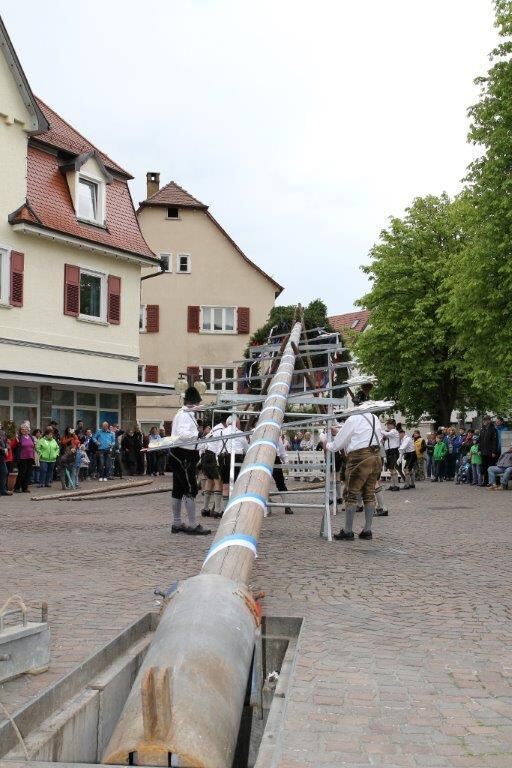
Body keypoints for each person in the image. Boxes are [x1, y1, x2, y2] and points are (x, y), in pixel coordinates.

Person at [325, 411, 382, 541]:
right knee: (369, 493)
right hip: (376, 456)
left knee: (351, 494)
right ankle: (367, 530)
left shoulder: (353, 418)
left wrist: (328, 445)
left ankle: (348, 531)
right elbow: (362, 434)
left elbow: (338, 444)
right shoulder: (374, 417)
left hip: (359, 458)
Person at [169, 387, 210, 535]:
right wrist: (198, 434)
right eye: (198, 402)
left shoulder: (186, 414)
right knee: (190, 488)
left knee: (179, 489)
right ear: (193, 403)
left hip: (184, 454)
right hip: (183, 455)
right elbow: (183, 434)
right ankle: (192, 524)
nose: (199, 405)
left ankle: (177, 523)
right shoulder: (184, 414)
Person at [201, 420, 224, 518]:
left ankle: (205, 509)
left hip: (205, 455)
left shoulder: (213, 430)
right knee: (218, 481)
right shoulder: (222, 431)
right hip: (213, 456)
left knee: (209, 480)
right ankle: (218, 510)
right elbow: (220, 447)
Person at [271, 435, 294, 515]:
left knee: (280, 483)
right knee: (261, 483)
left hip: (274, 458)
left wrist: (286, 460)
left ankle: (287, 506)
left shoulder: (276, 433)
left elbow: (281, 450)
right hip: (263, 458)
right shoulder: (255, 431)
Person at [13, 424, 36, 492]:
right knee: (22, 473)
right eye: (22, 429)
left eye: (26, 429)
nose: (24, 430)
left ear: (28, 430)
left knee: (28, 473)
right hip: (22, 458)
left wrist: (33, 456)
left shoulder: (31, 437)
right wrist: (16, 440)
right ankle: (17, 488)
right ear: (20, 430)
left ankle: (25, 488)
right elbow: (15, 446)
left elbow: (33, 447)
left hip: (30, 457)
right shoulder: (19, 437)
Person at [479, 415, 498, 486]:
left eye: (486, 420)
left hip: (490, 452)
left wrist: (494, 451)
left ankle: (491, 482)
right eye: (484, 420)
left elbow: (494, 441)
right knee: (484, 467)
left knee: (490, 467)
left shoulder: (493, 429)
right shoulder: (482, 430)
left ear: (489, 421)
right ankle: (485, 481)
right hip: (483, 451)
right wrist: (479, 449)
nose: (484, 421)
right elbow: (480, 440)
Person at [382, 418, 400, 491]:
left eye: (390, 425)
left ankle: (397, 485)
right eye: (388, 425)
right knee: (390, 469)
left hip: (393, 451)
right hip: (389, 451)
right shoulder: (389, 433)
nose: (388, 426)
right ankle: (392, 485)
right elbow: (385, 441)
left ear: (393, 425)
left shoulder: (394, 431)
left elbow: (386, 434)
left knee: (393, 469)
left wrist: (379, 429)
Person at [0, 423, 11, 496]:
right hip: (1, 452)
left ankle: (3, 490)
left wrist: (7, 448)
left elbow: (7, 442)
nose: (0, 426)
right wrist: (3, 449)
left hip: (2, 457)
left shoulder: (3, 433)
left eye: (0, 424)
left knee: (4, 472)